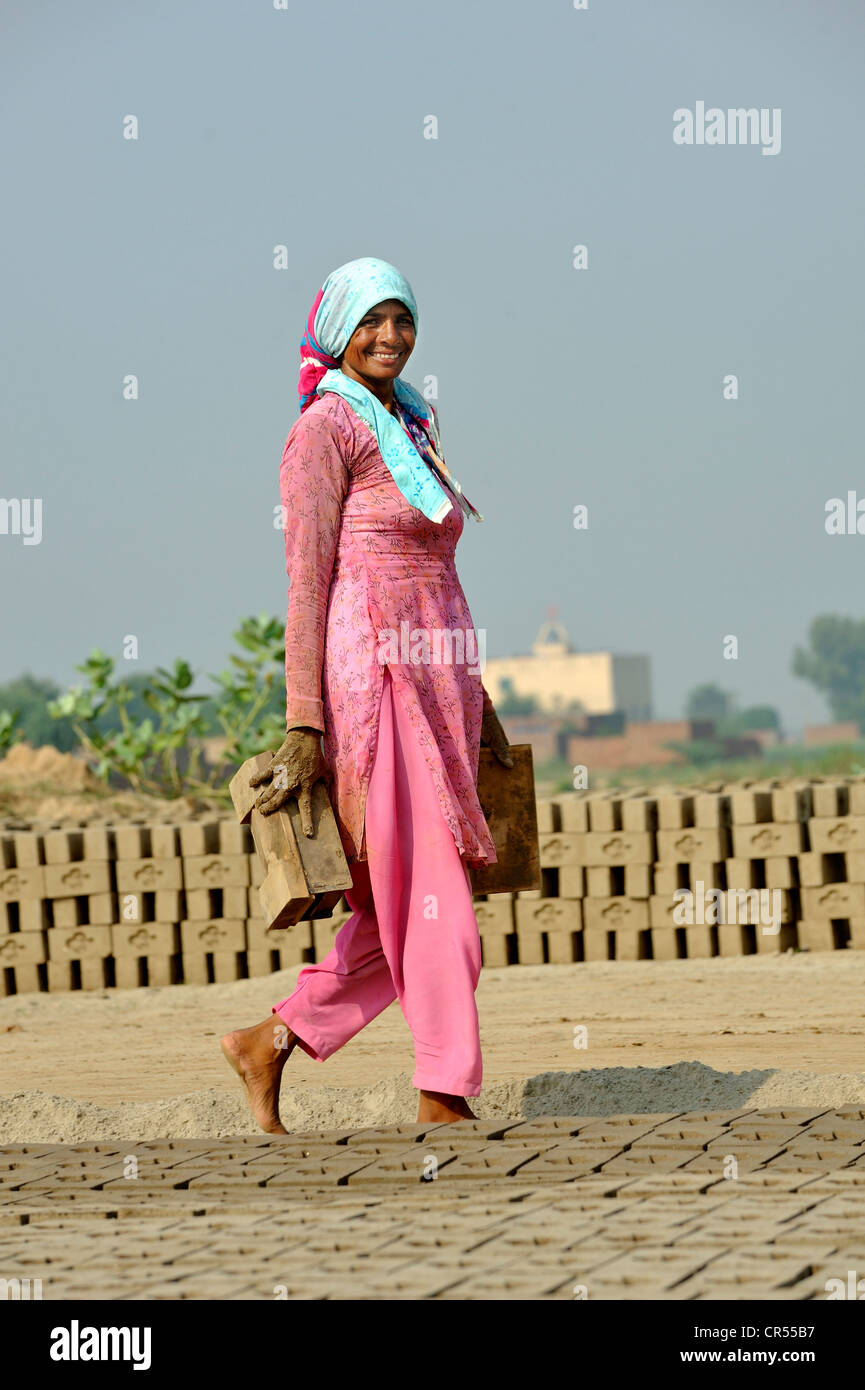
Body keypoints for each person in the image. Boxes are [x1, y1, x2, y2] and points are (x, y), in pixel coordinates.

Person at [221, 256, 512, 1133]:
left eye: (402, 320)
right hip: (371, 681)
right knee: (434, 897)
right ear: (335, 330)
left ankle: (270, 1041)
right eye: (369, 322)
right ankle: (444, 1091)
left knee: (406, 901)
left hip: (441, 679)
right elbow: (304, 581)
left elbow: (440, 574)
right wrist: (303, 721)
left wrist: (483, 704)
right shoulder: (323, 431)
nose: (388, 338)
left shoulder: (413, 423)